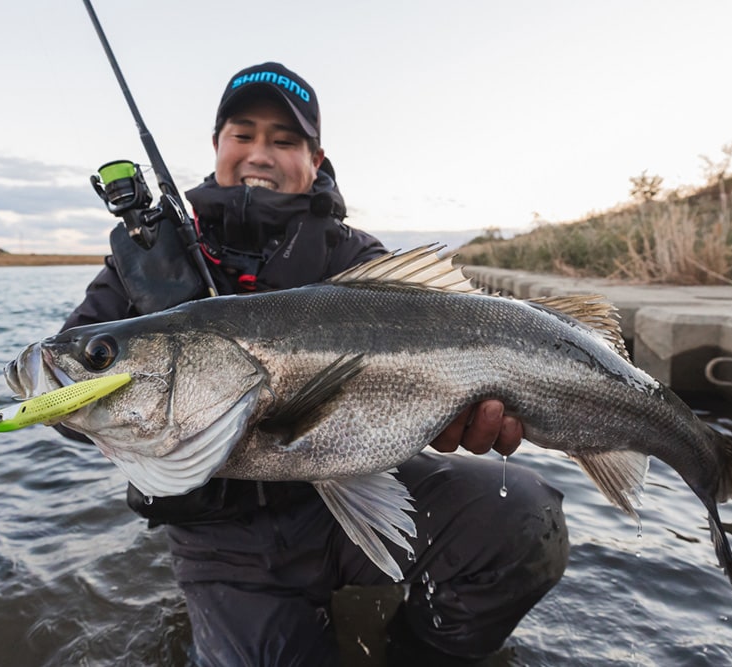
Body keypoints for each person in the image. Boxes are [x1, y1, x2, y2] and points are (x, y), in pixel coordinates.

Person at [61, 62, 568, 666]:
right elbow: (70, 383)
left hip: (354, 490)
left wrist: (459, 407)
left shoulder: (356, 257)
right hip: (224, 540)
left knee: (521, 516)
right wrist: (136, 345)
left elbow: (442, 346)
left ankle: (416, 653)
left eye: (285, 140)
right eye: (243, 134)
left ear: (316, 158)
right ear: (216, 145)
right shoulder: (145, 255)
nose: (260, 154)